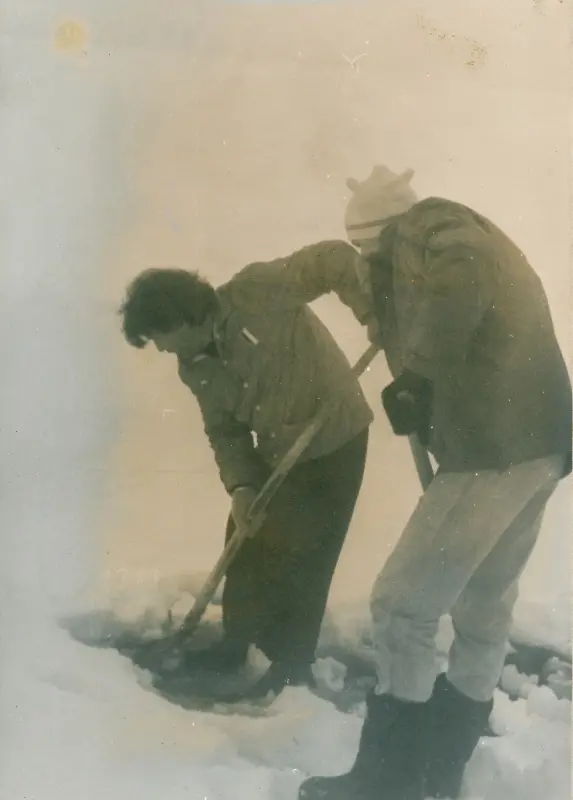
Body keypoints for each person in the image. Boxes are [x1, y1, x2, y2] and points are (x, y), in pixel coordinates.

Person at [298, 166, 572, 800]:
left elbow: (458, 274)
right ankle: (438, 773)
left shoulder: (434, 227)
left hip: (493, 450)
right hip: (538, 447)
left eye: (371, 251)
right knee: (481, 609)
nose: (373, 264)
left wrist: (417, 375)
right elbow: (439, 301)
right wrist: (397, 340)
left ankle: (388, 781)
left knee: (401, 605)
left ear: (383, 233)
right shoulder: (446, 237)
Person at [118, 243, 379, 701]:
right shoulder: (194, 367)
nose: (160, 348)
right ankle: (234, 646)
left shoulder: (257, 290)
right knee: (244, 540)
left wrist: (370, 312)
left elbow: (334, 259)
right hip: (277, 450)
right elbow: (225, 433)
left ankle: (291, 665)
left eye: (160, 336)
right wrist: (241, 486)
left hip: (334, 438)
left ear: (181, 318)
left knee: (309, 552)